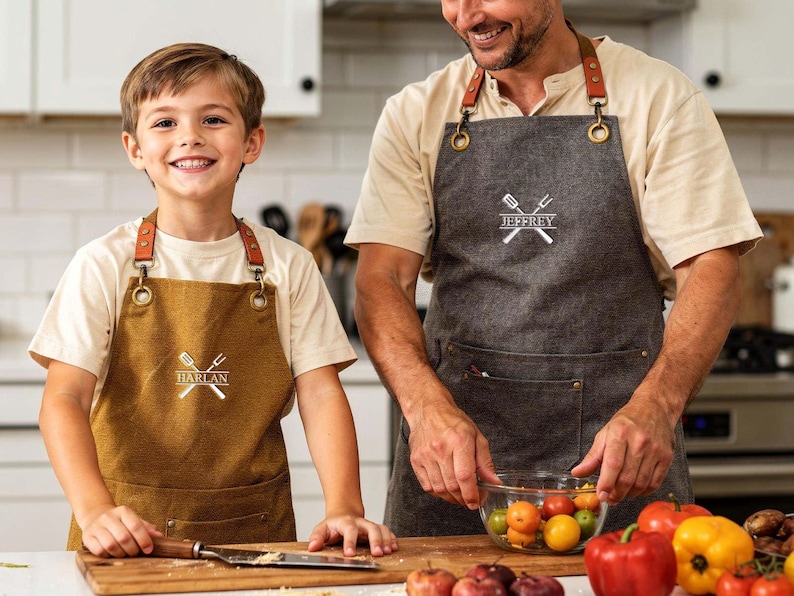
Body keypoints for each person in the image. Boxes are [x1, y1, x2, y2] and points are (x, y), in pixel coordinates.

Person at [344, 0, 763, 536]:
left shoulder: (659, 97)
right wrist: (424, 409)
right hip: (456, 465)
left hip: (617, 460)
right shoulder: (416, 112)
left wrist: (658, 407)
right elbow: (382, 278)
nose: (467, 15)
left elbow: (710, 266)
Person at [29, 42, 397, 559]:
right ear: (135, 149)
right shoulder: (103, 263)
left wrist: (345, 505)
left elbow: (320, 395)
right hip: (127, 537)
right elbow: (64, 399)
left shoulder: (290, 265)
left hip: (258, 530)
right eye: (165, 122)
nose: (190, 136)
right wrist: (94, 511)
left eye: (214, 119)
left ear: (252, 142)